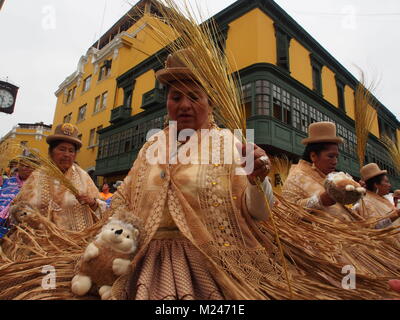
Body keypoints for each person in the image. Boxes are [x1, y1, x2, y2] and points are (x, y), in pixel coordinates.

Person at [103, 50, 277, 300]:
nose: (184, 105)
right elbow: (123, 199)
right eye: (176, 97)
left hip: (210, 265)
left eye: (194, 97)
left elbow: (260, 213)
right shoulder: (151, 146)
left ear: (211, 103)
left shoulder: (230, 143)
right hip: (145, 262)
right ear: (167, 103)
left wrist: (257, 180)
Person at [12, 123, 106, 232]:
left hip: (76, 242)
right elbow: (17, 208)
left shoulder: (83, 177)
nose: (67, 154)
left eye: (71, 151)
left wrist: (92, 202)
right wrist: (30, 217)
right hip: (40, 242)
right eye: (62, 149)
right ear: (51, 152)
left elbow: (103, 210)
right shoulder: (37, 176)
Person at [282, 122, 355, 222]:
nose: (335, 162)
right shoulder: (297, 177)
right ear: (313, 156)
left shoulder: (329, 178)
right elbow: (287, 214)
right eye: (330, 156)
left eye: (336, 157)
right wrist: (319, 201)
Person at [354, 163, 400, 229]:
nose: (389, 185)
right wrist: (397, 214)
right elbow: (374, 227)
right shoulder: (366, 202)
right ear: (376, 185)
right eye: (386, 182)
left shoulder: (383, 199)